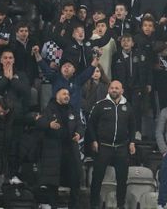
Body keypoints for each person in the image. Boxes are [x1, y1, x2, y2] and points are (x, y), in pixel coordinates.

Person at [88, 80, 136, 209]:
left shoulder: (128, 106)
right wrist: (93, 140)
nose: (114, 90)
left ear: (122, 91)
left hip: (121, 148)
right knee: (97, 178)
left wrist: (132, 142)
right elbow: (91, 124)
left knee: (122, 180)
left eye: (117, 88)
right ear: (108, 90)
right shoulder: (100, 105)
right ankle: (93, 205)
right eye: (112, 88)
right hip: (103, 147)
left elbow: (132, 126)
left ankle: (120, 205)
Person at [37, 87, 82, 208]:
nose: (67, 96)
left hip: (70, 149)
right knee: (53, 181)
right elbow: (39, 123)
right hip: (54, 149)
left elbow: (79, 124)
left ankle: (73, 206)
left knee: (75, 178)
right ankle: (53, 205)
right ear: (57, 96)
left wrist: (79, 133)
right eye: (64, 94)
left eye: (68, 94)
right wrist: (49, 124)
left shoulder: (72, 109)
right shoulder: (49, 109)